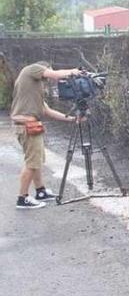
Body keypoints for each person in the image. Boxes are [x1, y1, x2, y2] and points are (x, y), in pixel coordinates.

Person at [9, 61, 85, 209]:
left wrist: (73, 119)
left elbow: (48, 111)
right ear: (45, 68)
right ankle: (22, 198)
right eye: (48, 72)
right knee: (32, 163)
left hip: (31, 126)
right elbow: (54, 74)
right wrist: (74, 71)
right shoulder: (33, 69)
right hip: (27, 126)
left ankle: (41, 191)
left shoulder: (32, 89)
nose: (48, 78)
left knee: (37, 161)